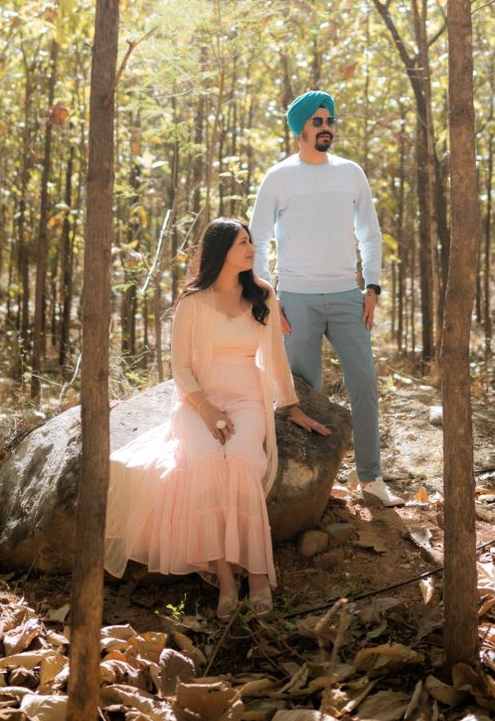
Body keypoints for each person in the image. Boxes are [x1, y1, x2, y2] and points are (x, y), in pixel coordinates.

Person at [104, 217, 329, 617]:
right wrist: (206, 409)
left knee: (242, 462)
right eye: (243, 242)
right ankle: (226, 580)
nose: (251, 249)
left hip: (247, 401)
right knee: (205, 462)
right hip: (198, 402)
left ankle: (258, 575)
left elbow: (276, 358)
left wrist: (292, 406)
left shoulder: (263, 296)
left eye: (251, 242)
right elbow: (180, 367)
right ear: (221, 249)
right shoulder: (192, 302)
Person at [248, 90, 401, 506]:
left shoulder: (350, 173)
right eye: (317, 121)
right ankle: (309, 485)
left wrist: (372, 286)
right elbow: (257, 241)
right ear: (299, 129)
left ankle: (370, 479)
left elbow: (370, 233)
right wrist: (269, 295)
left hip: (347, 296)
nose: (326, 126)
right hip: (295, 299)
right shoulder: (279, 177)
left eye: (330, 119)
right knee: (303, 391)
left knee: (364, 382)